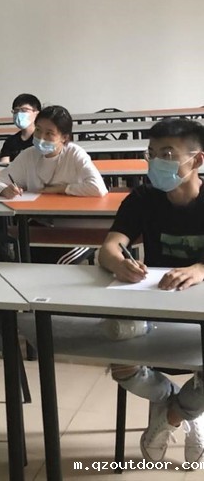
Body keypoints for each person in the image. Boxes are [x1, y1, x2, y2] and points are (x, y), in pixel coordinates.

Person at [99, 118, 204, 464]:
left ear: (197, 160)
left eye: (168, 153)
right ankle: (186, 408)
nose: (157, 161)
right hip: (156, 303)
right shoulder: (143, 198)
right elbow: (109, 248)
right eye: (152, 153)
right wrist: (119, 264)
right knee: (122, 364)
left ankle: (172, 417)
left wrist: (200, 269)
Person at [0, 105, 108, 198]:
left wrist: (60, 189)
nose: (41, 138)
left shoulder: (75, 153)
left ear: (64, 137)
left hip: (72, 216)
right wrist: (4, 190)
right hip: (38, 216)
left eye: (49, 133)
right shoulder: (28, 155)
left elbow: (99, 188)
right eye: (38, 130)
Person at [0, 93, 41, 164]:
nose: (19, 114)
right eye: (16, 111)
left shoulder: (41, 139)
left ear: (36, 113)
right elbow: (4, 164)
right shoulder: (10, 141)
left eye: (24, 110)